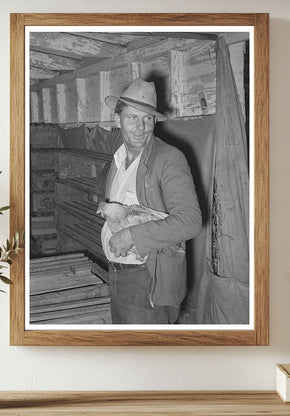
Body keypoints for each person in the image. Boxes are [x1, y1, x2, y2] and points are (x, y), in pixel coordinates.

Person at [101, 78, 202, 324]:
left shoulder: (168, 158)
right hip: (116, 275)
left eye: (147, 119)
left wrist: (132, 237)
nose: (141, 127)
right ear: (117, 120)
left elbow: (190, 222)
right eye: (132, 118)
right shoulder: (115, 161)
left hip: (148, 281)